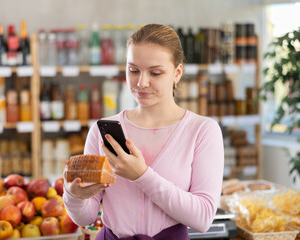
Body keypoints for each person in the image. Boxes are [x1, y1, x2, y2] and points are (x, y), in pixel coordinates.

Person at [63, 23, 224, 240]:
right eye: (133, 70)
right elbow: (86, 217)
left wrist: (141, 175)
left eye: (155, 72)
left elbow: (203, 217)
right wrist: (73, 195)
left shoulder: (202, 131)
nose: (141, 82)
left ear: (177, 73)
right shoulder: (102, 131)